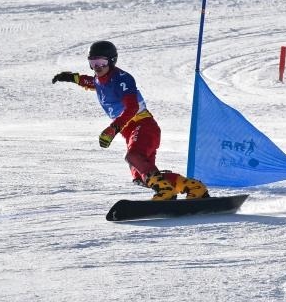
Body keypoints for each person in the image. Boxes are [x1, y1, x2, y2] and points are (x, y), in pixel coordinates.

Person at [52, 40, 210, 201]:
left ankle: (166, 191)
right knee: (141, 177)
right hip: (130, 131)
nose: (97, 67)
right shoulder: (99, 79)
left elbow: (132, 107)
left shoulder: (122, 79)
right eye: (93, 63)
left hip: (143, 125)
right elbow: (93, 83)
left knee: (133, 156)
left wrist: (113, 128)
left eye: (101, 62)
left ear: (112, 61)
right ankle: (193, 187)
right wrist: (71, 77)